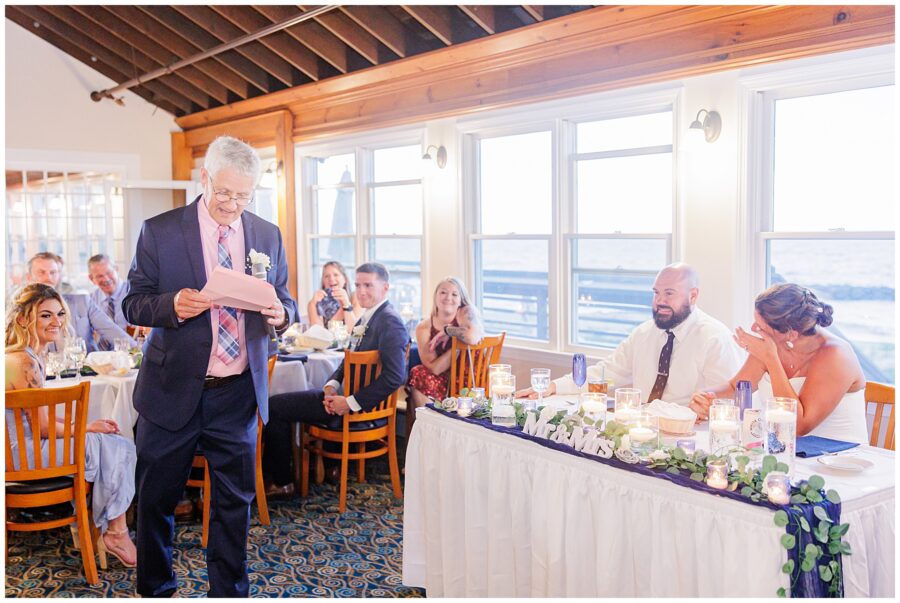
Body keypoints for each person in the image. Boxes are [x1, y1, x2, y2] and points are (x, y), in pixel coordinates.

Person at [123, 135, 297, 598]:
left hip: (237, 392)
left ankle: (229, 592)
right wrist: (172, 305)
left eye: (242, 196)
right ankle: (156, 589)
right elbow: (132, 303)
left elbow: (285, 297)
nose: (232, 204)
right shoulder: (159, 230)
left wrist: (283, 313)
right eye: (224, 192)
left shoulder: (266, 233)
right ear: (205, 179)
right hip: (170, 389)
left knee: (233, 504)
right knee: (157, 501)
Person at [5, 283, 137, 567]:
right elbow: (41, 429)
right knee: (118, 446)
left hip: (26, 450)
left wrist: (89, 425)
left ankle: (109, 528)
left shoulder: (28, 356)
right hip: (22, 458)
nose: (56, 322)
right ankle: (116, 531)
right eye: (45, 315)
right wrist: (88, 430)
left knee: (110, 442)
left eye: (59, 314)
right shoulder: (22, 363)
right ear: (22, 319)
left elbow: (40, 421)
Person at [262, 262, 409, 497]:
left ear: (385, 288)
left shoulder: (390, 322)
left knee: (273, 406)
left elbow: (395, 376)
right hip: (341, 398)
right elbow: (345, 362)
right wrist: (331, 386)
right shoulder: (367, 318)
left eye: (368, 285)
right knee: (280, 403)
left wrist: (349, 403)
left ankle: (282, 481)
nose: (361, 291)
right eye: (359, 285)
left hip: (358, 409)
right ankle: (291, 475)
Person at [516, 263, 743, 405]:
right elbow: (608, 372)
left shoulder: (715, 339)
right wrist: (554, 387)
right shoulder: (644, 333)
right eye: (656, 293)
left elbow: (725, 403)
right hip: (640, 433)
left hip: (691, 440)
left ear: (693, 296)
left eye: (669, 293)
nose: (659, 301)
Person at [690, 284, 868, 443]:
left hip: (839, 462)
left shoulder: (835, 355)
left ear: (791, 334)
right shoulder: (774, 344)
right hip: (785, 452)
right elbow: (735, 387)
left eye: (760, 326)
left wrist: (771, 359)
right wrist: (706, 397)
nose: (753, 329)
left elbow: (798, 426)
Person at [23, 251, 134, 353]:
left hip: (87, 371)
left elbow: (114, 333)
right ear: (29, 277)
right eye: (41, 272)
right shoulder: (22, 312)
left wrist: (140, 355)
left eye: (53, 272)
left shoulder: (83, 302)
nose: (48, 277)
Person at [408, 277, 484, 407]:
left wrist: (448, 331)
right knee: (418, 372)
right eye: (443, 292)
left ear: (461, 300)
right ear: (435, 296)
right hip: (445, 381)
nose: (448, 297)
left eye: (454, 294)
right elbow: (435, 369)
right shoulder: (424, 327)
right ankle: (429, 424)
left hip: (472, 381)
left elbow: (472, 338)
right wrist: (458, 346)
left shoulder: (466, 312)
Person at [87, 254, 137, 345]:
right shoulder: (91, 300)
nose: (106, 279)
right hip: (100, 355)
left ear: (116, 270)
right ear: (91, 278)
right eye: (99, 276)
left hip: (130, 352)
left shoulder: (135, 294)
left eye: (109, 273)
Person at [306, 261, 361, 327]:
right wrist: (313, 304)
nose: (331, 279)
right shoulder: (314, 302)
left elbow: (355, 330)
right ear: (323, 282)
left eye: (336, 275)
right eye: (327, 276)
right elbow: (317, 332)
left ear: (345, 280)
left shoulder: (356, 297)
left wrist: (345, 304)